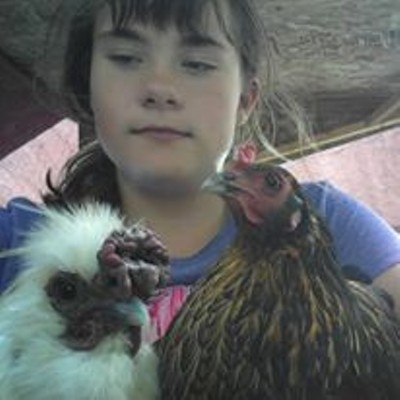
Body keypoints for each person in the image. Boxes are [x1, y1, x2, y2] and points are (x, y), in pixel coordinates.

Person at [1, 0, 400, 340]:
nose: (159, 87)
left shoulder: (322, 221)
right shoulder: (18, 244)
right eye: (125, 58)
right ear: (88, 84)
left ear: (245, 99)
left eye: (196, 63)